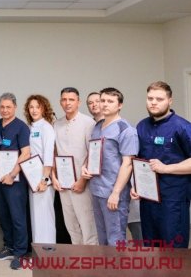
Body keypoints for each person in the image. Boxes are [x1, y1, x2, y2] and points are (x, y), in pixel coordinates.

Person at [131, 81, 191, 248]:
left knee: (173, 248)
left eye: (159, 99)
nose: (154, 102)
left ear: (170, 101)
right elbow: (139, 160)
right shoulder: (142, 126)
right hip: (148, 199)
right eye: (150, 98)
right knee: (151, 247)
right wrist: (136, 185)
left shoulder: (182, 127)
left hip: (173, 199)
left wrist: (166, 168)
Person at [82, 87, 138, 246]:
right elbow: (93, 152)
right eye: (102, 100)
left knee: (115, 238)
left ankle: (118, 264)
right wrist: (85, 167)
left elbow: (128, 164)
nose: (105, 104)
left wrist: (116, 193)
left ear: (119, 105)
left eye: (110, 101)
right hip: (97, 189)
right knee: (102, 237)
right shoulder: (98, 126)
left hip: (113, 191)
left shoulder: (126, 130)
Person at [52, 87, 98, 245]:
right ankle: (78, 255)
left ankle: (92, 257)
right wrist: (54, 177)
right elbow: (55, 152)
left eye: (71, 99)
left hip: (82, 183)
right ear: (60, 102)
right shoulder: (56, 124)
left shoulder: (88, 123)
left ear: (78, 102)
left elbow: (92, 154)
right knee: (71, 225)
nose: (67, 103)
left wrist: (82, 181)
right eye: (64, 100)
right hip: (63, 184)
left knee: (87, 224)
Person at [0, 93, 31, 270]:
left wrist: (12, 174)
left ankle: (21, 252)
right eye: (2, 107)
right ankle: (9, 246)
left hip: (15, 181)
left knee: (17, 217)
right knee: (4, 215)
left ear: (15, 107)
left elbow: (26, 153)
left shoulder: (21, 127)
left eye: (8, 107)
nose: (5, 110)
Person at [23, 94, 56, 244]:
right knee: (36, 217)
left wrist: (44, 180)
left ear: (44, 109)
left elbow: (48, 155)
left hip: (43, 179)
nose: (34, 110)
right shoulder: (30, 127)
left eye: (38, 107)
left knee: (45, 217)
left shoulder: (46, 127)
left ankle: (48, 251)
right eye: (31, 107)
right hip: (32, 178)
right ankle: (38, 250)